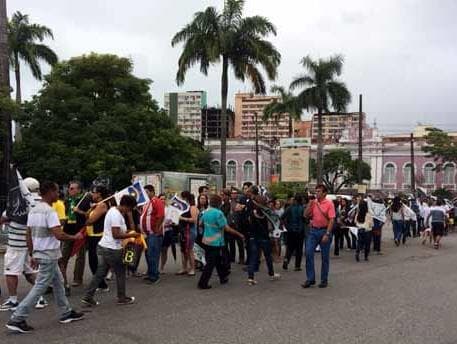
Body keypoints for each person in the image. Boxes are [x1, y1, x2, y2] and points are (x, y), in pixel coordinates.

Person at [6, 181, 84, 333]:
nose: (58, 194)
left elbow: (28, 234)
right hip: (48, 254)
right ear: (49, 192)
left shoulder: (34, 210)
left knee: (58, 283)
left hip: (44, 254)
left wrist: (32, 253)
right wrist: (75, 237)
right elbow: (58, 234)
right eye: (56, 191)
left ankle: (66, 312)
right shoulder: (49, 211)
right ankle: (18, 318)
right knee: (40, 286)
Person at [81, 195, 140, 306]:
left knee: (100, 273)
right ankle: (121, 298)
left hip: (104, 246)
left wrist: (128, 232)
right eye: (130, 208)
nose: (129, 211)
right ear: (126, 205)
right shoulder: (116, 215)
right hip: (112, 248)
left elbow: (118, 230)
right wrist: (133, 235)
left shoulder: (113, 210)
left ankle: (87, 297)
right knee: (120, 272)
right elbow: (116, 234)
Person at [1, 177, 48, 312]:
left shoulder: (19, 201)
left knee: (11, 272)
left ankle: (13, 300)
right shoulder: (40, 202)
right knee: (30, 272)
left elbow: (5, 216)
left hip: (16, 243)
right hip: (32, 243)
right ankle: (40, 298)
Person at [198, 195, 244, 289]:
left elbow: (200, 224)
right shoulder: (219, 213)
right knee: (210, 263)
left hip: (206, 240)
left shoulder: (205, 212)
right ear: (219, 203)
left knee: (217, 259)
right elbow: (226, 228)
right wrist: (239, 234)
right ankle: (202, 283)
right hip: (216, 241)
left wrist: (208, 228)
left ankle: (223, 277)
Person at [302, 184, 335, 289]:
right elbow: (305, 215)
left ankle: (324, 280)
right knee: (308, 252)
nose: (317, 193)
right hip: (313, 230)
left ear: (324, 193)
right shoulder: (314, 203)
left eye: (319, 191)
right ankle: (310, 278)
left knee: (325, 257)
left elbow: (332, 219)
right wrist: (309, 205)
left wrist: (327, 234)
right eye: (316, 191)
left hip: (324, 230)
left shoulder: (329, 203)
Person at [59, 181, 90, 294]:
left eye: (72, 188)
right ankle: (62, 279)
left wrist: (79, 211)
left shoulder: (85, 200)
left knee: (80, 256)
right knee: (63, 256)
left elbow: (89, 215)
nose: (70, 190)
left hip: (80, 230)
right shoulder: (66, 201)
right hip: (68, 231)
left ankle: (78, 278)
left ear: (78, 190)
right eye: (69, 188)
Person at [246, 195, 280, 285]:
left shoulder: (252, 213)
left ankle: (250, 278)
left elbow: (249, 223)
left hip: (253, 237)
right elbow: (271, 225)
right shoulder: (266, 214)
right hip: (264, 237)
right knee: (268, 256)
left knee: (253, 257)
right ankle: (271, 274)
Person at [85, 185, 111, 291]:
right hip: (92, 235)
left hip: (97, 236)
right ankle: (100, 282)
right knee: (94, 261)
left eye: (94, 192)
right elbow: (88, 216)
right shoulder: (97, 205)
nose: (92, 194)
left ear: (99, 194)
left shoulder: (102, 205)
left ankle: (101, 284)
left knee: (94, 261)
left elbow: (90, 220)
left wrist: (85, 217)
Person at [140, 185, 165, 284]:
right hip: (147, 234)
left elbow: (161, 215)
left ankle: (154, 277)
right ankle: (151, 273)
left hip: (153, 234)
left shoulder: (156, 201)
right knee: (148, 254)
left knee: (152, 254)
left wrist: (156, 228)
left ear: (152, 192)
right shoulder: (147, 202)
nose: (144, 194)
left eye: (146, 192)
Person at [177, 191, 199, 276]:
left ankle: (192, 268)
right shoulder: (184, 207)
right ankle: (184, 268)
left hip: (190, 231)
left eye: (181, 197)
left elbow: (194, 219)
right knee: (183, 250)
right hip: (183, 230)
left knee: (189, 250)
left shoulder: (192, 207)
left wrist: (182, 218)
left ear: (185, 198)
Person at [281, 194, 305, 271]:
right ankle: (297, 266)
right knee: (299, 249)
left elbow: (282, 217)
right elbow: (306, 219)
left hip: (291, 230)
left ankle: (286, 260)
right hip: (300, 231)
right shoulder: (303, 208)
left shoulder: (289, 208)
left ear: (295, 200)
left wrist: (286, 226)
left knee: (290, 248)